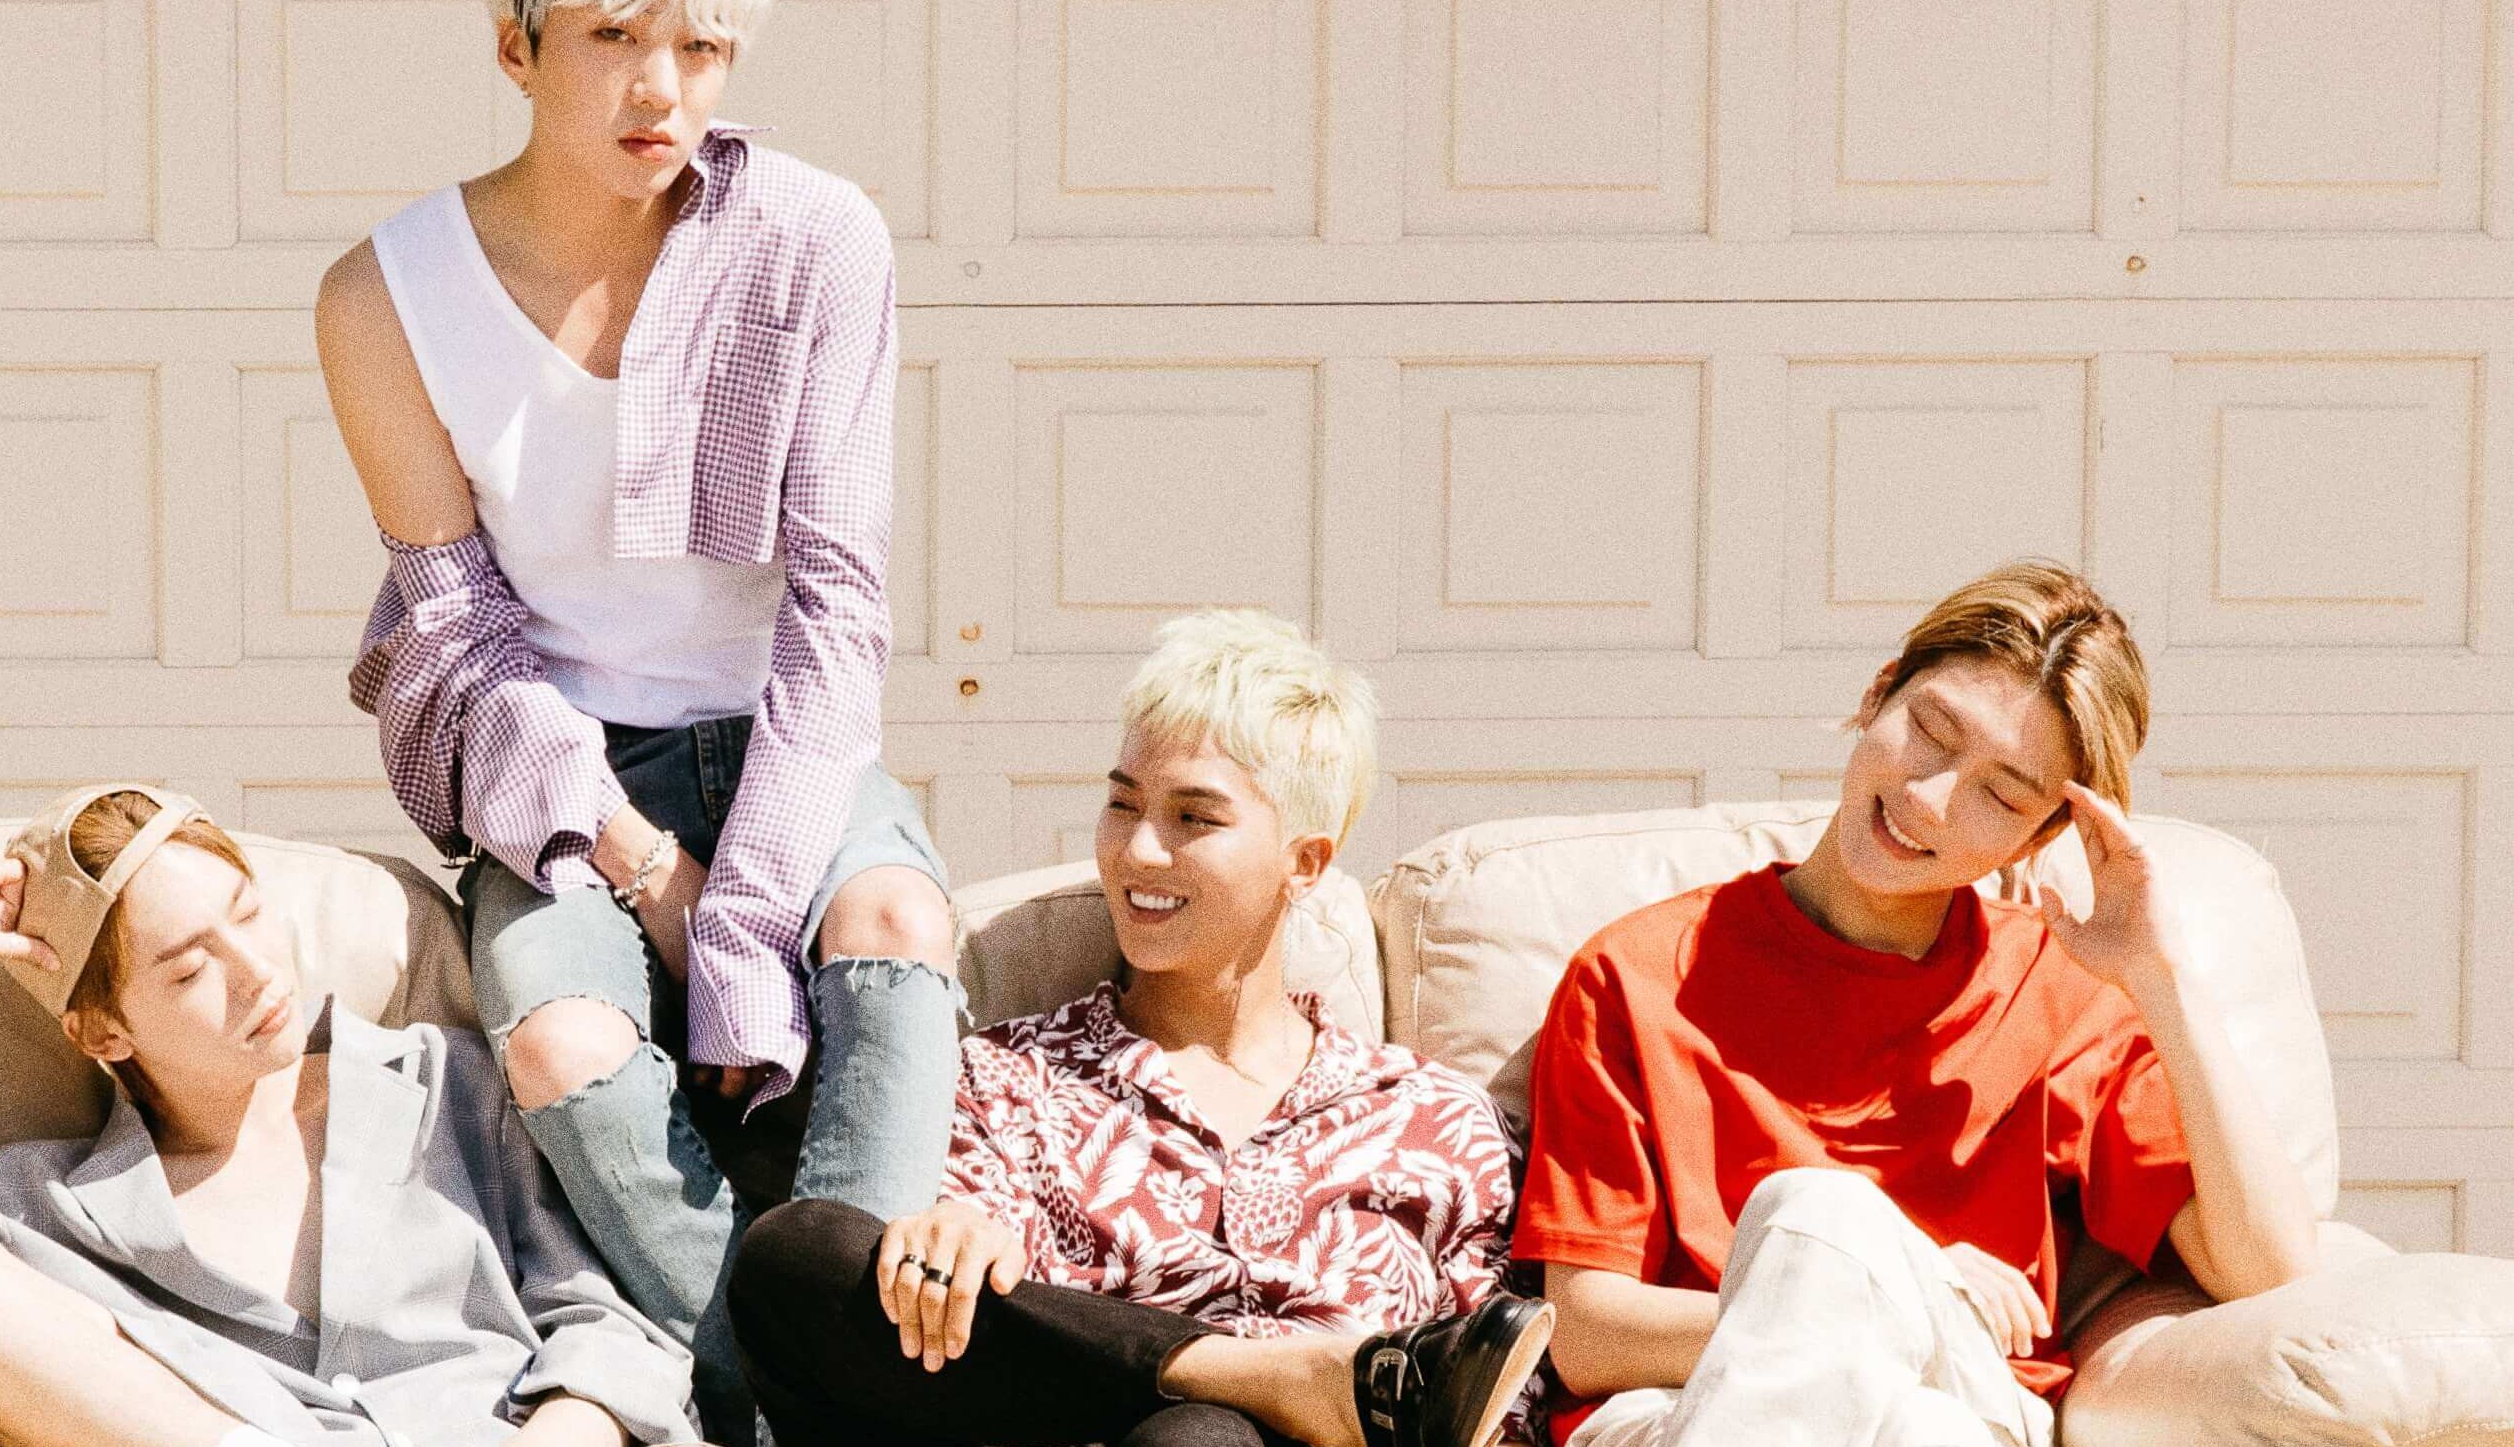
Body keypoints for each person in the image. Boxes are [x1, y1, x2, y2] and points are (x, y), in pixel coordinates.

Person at [314, 0, 962, 1438]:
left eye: (702, 46)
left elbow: (838, 602)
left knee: (892, 915)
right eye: (611, 35)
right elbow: (460, 629)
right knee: (559, 1037)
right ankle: (817, 1396)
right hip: (555, 763)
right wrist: (639, 864)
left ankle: (845, 1359)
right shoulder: (382, 295)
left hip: (786, 737)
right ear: (515, 43)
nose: (659, 89)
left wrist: (746, 906)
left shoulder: (816, 241)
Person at [1513, 560, 2322, 1447]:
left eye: (2000, 795)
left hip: (1958, 1392)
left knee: (1921, 1415)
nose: (1928, 800)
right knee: (1822, 1218)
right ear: (1877, 696)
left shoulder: (2058, 992)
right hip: (1679, 1403)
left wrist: (2162, 979)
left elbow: (2270, 1271)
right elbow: (1583, 1335)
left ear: (2041, 834)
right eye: (1931, 731)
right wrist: (1906, 1285)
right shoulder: (1635, 971)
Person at [730, 611, 1553, 1447]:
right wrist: (948, 1243)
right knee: (797, 1251)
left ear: (1303, 863)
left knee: (1196, 1439)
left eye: (1194, 818)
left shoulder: (1437, 1120)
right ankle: (1268, 1376)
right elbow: (953, 1343)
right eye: (1123, 805)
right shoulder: (1005, 1084)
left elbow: (1506, 1397)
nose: (1139, 852)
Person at [0, 785, 696, 1447]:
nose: (256, 972)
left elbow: (609, 1320)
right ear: (103, 1030)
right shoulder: (34, 1214)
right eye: (188, 966)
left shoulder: (447, 1087)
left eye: (247, 915)